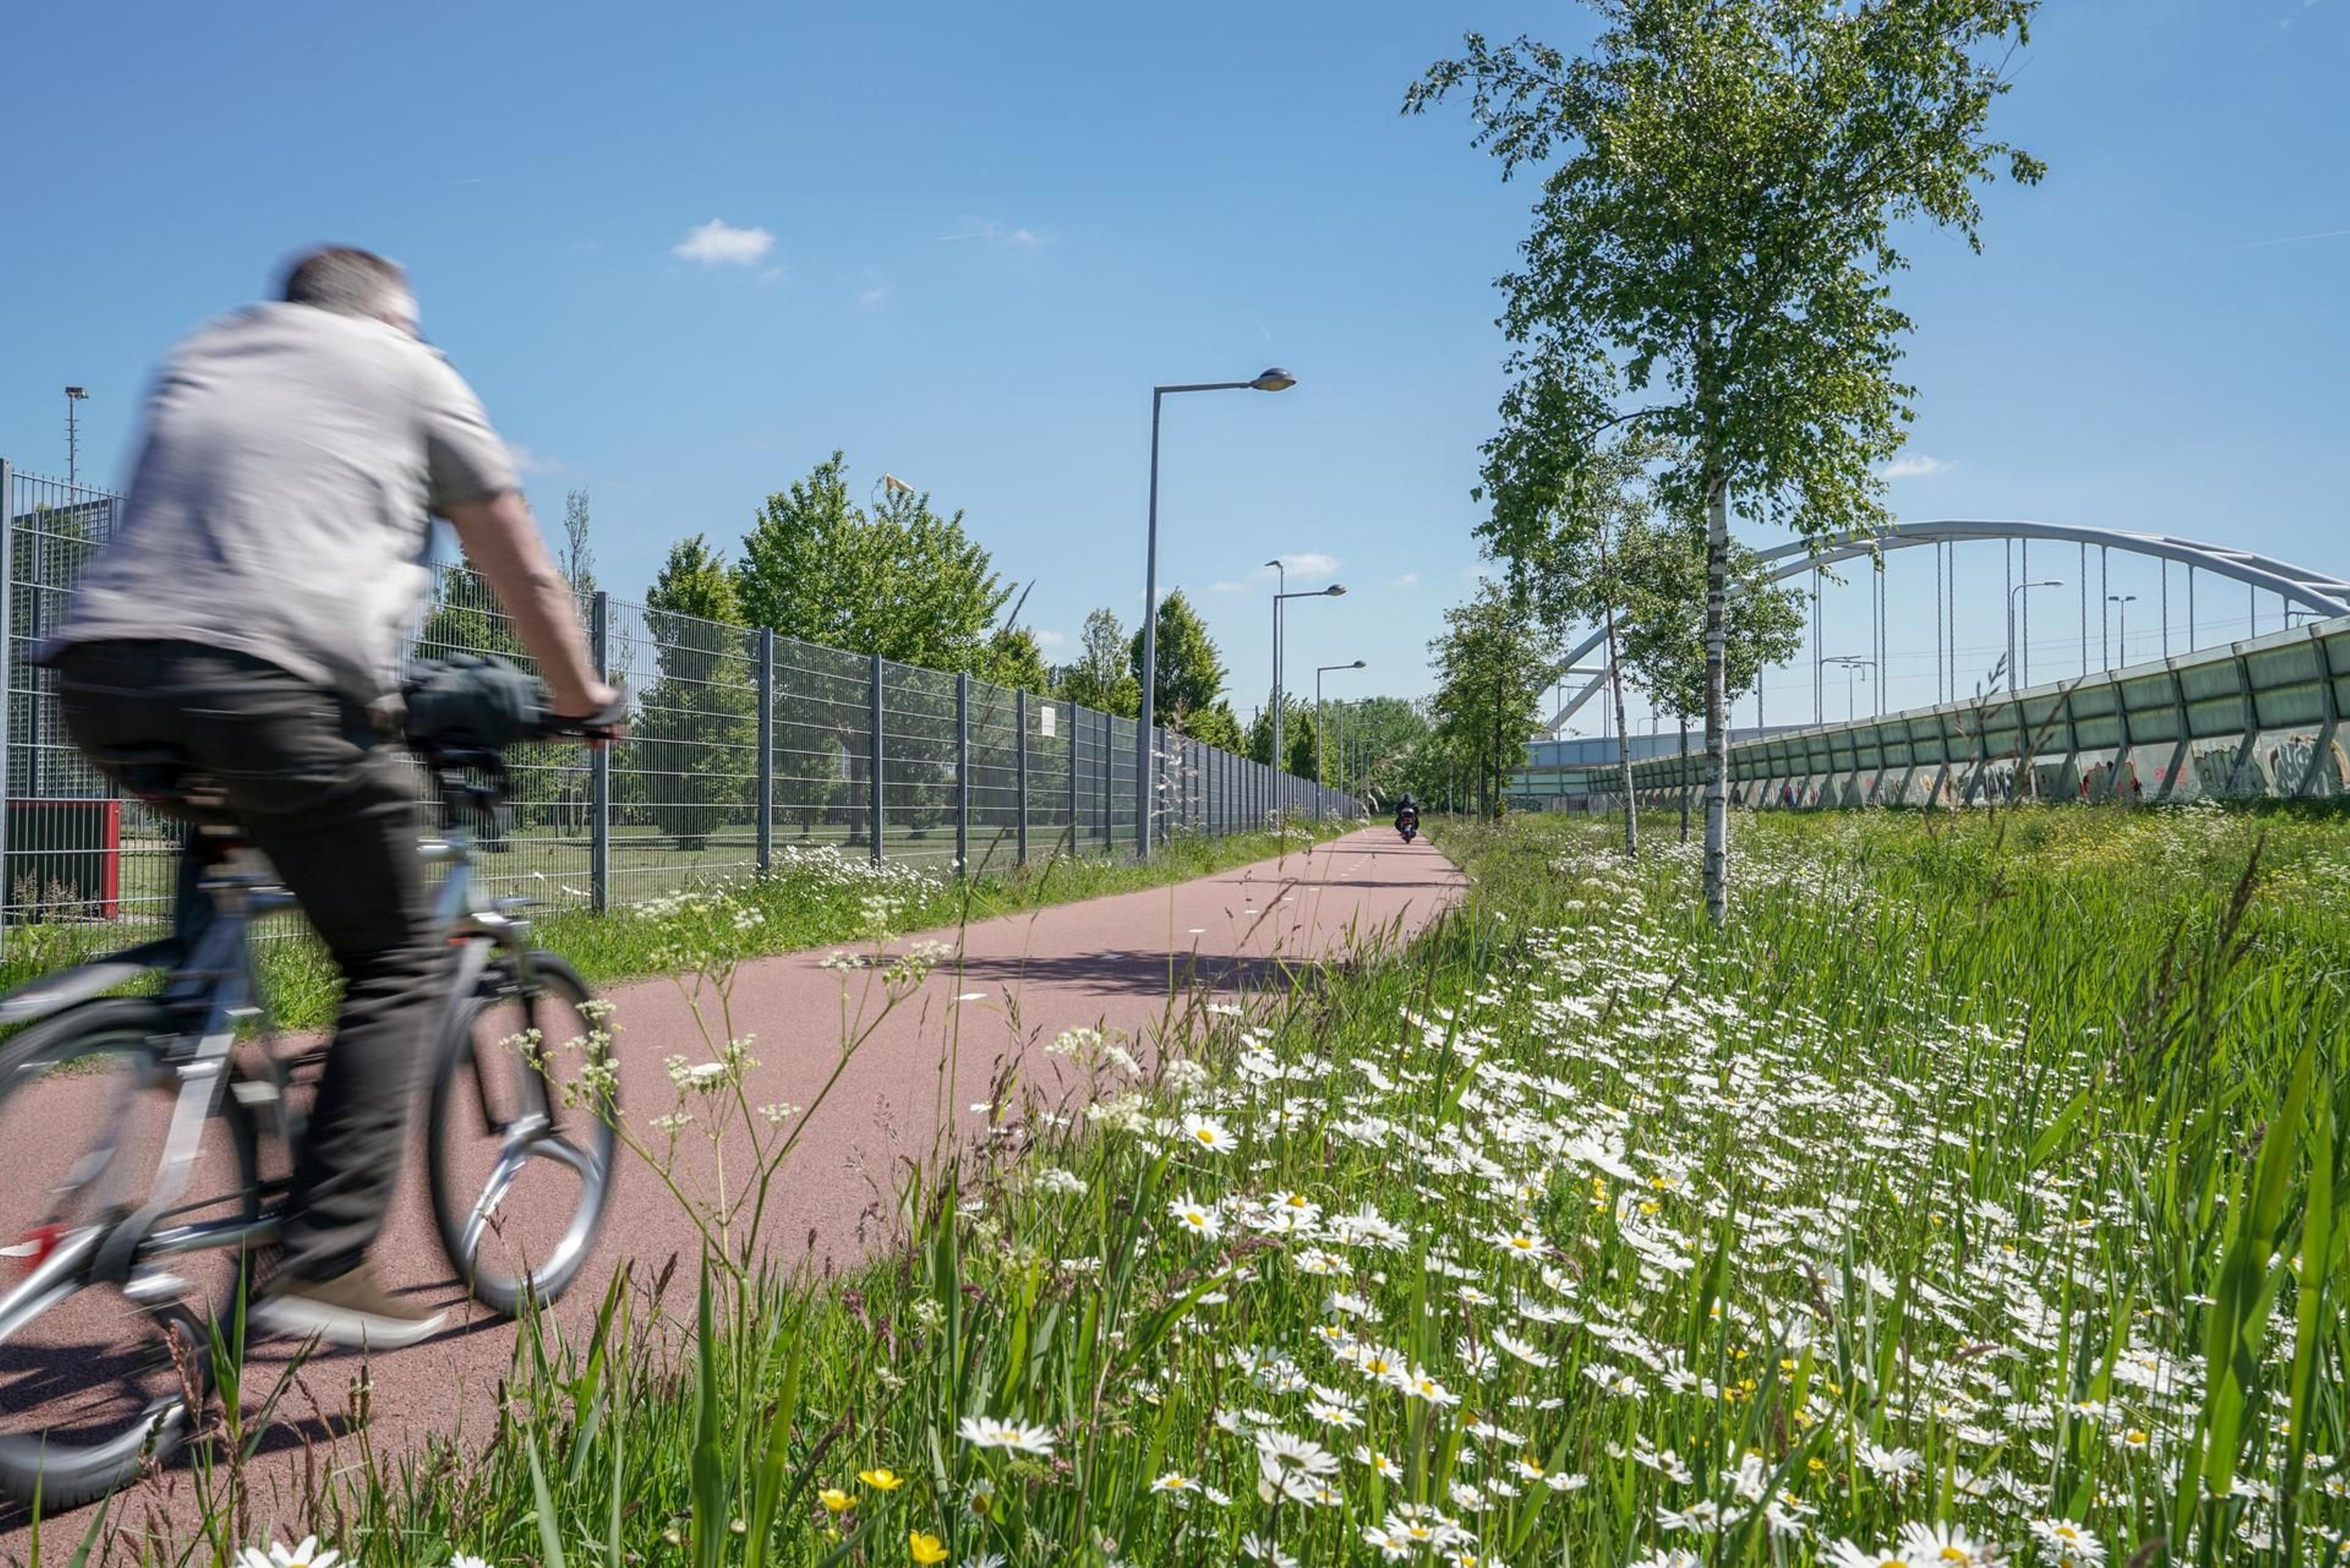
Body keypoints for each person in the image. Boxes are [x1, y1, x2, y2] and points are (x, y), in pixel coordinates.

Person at [43, 247, 619, 1349]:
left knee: (228, 835)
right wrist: (582, 696)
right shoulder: (410, 370)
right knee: (400, 957)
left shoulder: (207, 352)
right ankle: (324, 1256)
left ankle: (187, 1035)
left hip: (104, 674)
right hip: (273, 684)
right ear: (394, 318)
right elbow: (523, 566)